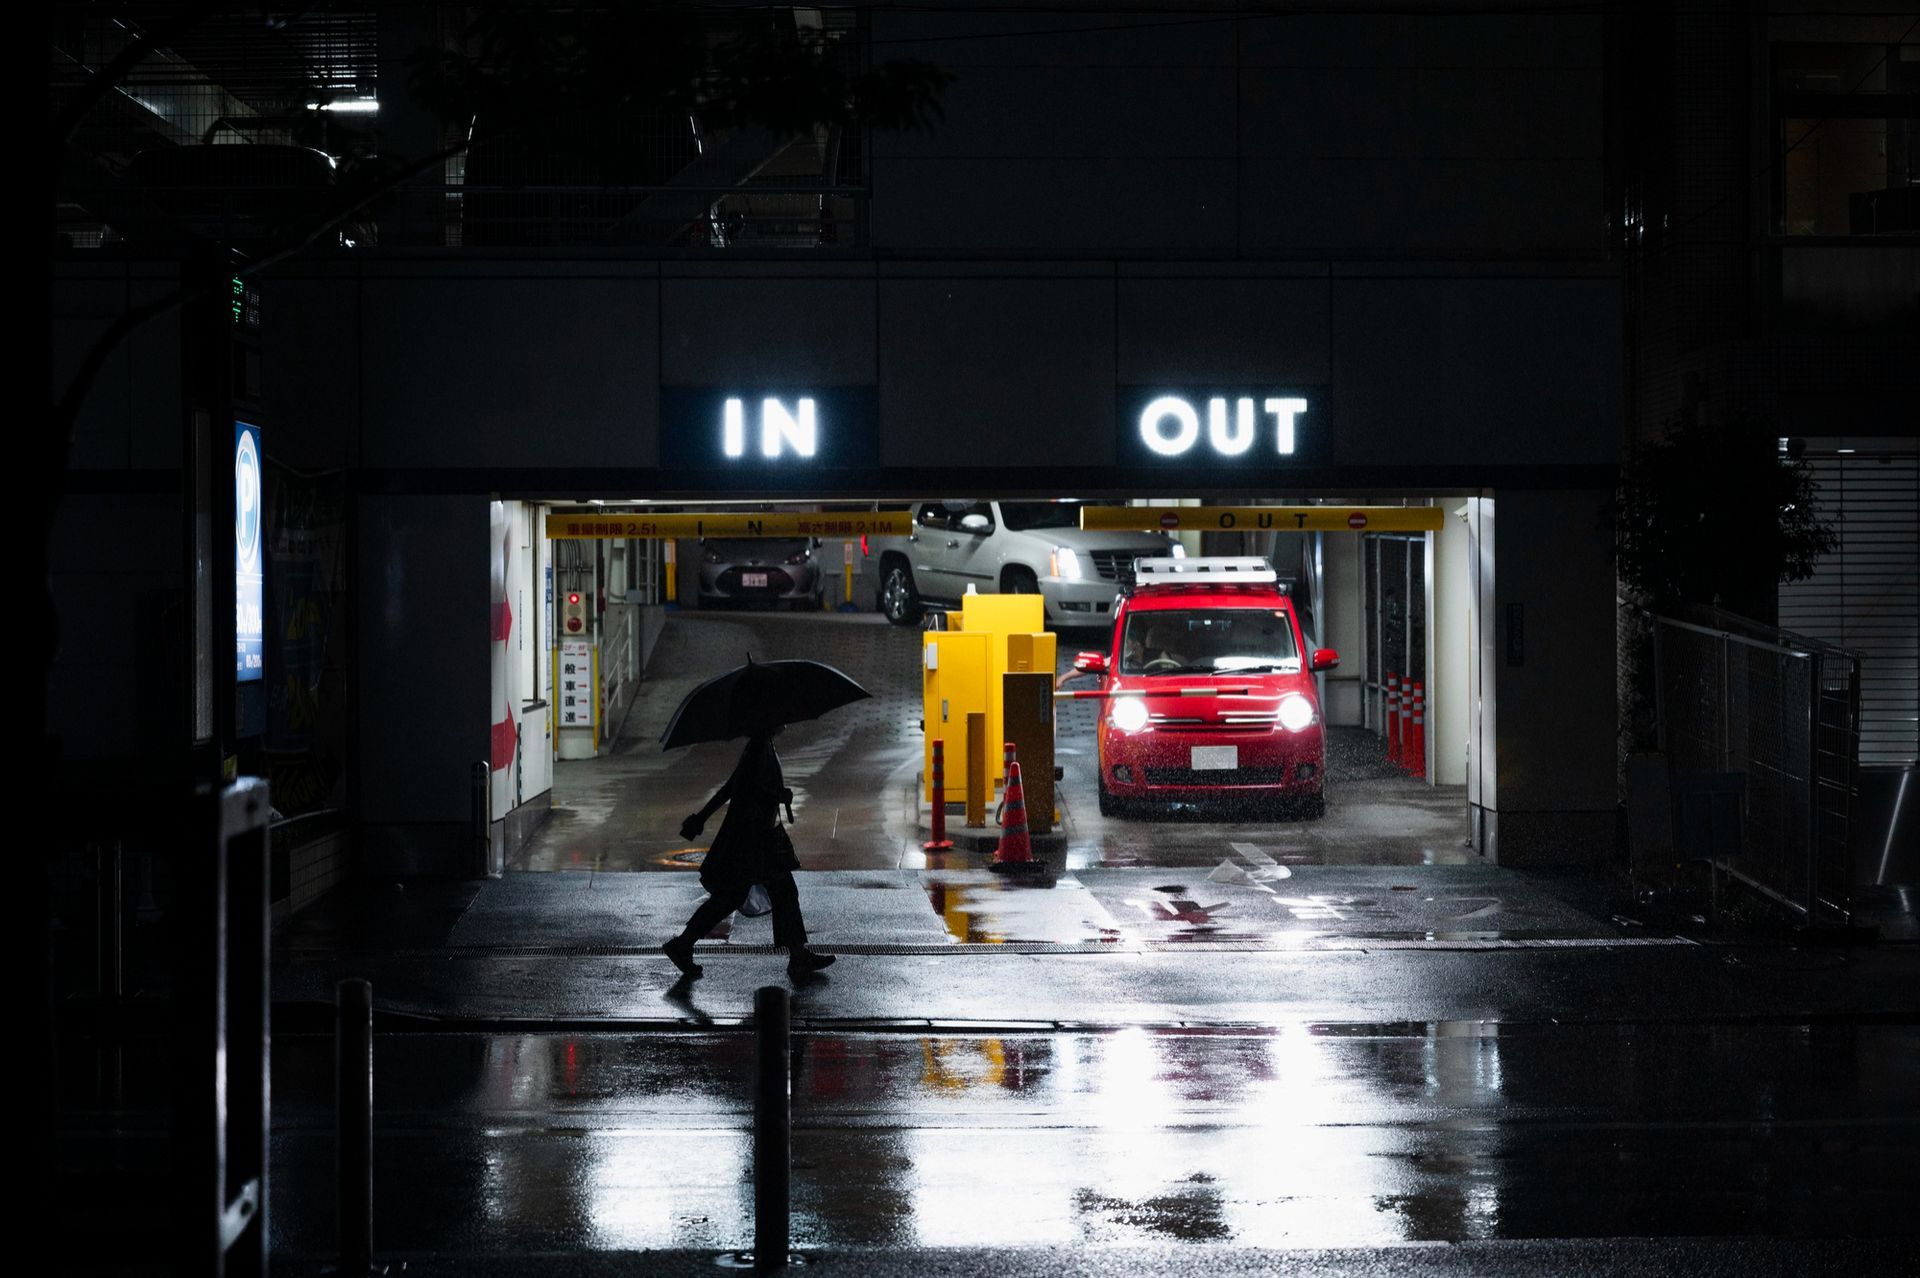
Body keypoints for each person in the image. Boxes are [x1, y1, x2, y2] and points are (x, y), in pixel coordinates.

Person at [664, 725, 836, 980]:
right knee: (766, 892)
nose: (785, 722)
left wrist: (702, 816)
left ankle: (684, 944)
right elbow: (743, 786)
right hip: (754, 837)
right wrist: (778, 794)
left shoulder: (760, 745)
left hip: (756, 835)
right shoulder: (758, 748)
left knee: (746, 894)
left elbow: (734, 786)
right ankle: (797, 956)